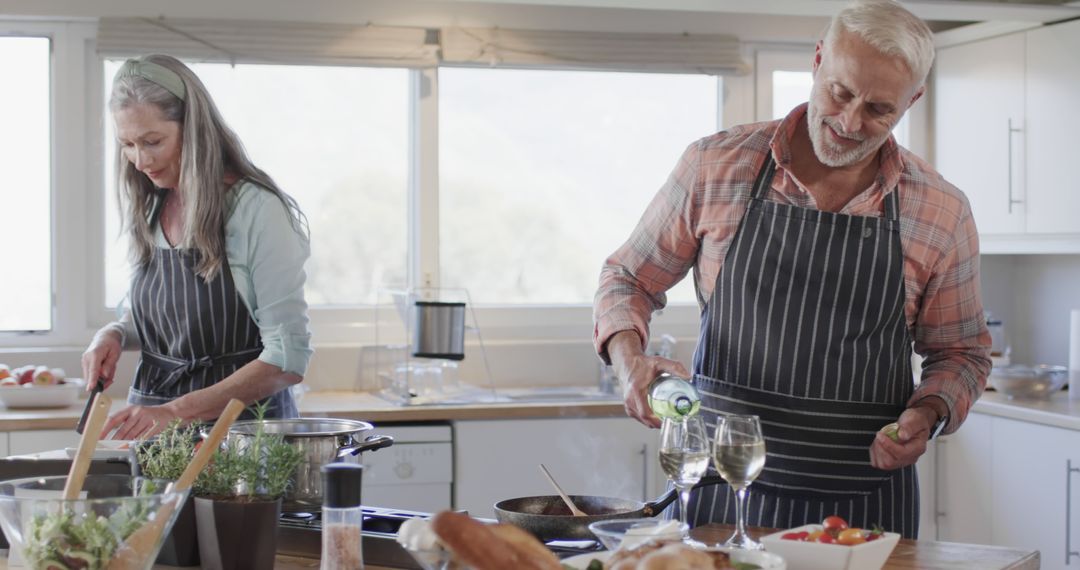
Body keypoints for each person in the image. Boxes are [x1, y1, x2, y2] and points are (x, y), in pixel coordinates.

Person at [593, 0, 990, 539]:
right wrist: (627, 359)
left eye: (878, 109)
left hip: (864, 507)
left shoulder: (940, 210)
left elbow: (961, 352)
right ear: (819, 59)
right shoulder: (715, 166)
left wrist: (930, 411)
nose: (850, 123)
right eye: (840, 92)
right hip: (719, 489)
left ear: (913, 99)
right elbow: (629, 278)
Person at [82, 54, 313, 440]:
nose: (140, 161)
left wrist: (175, 411)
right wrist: (114, 335)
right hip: (158, 438)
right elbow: (170, 320)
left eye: (153, 141)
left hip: (243, 440)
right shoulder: (154, 203)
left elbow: (287, 359)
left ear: (193, 129)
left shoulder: (256, 210)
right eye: (128, 144)